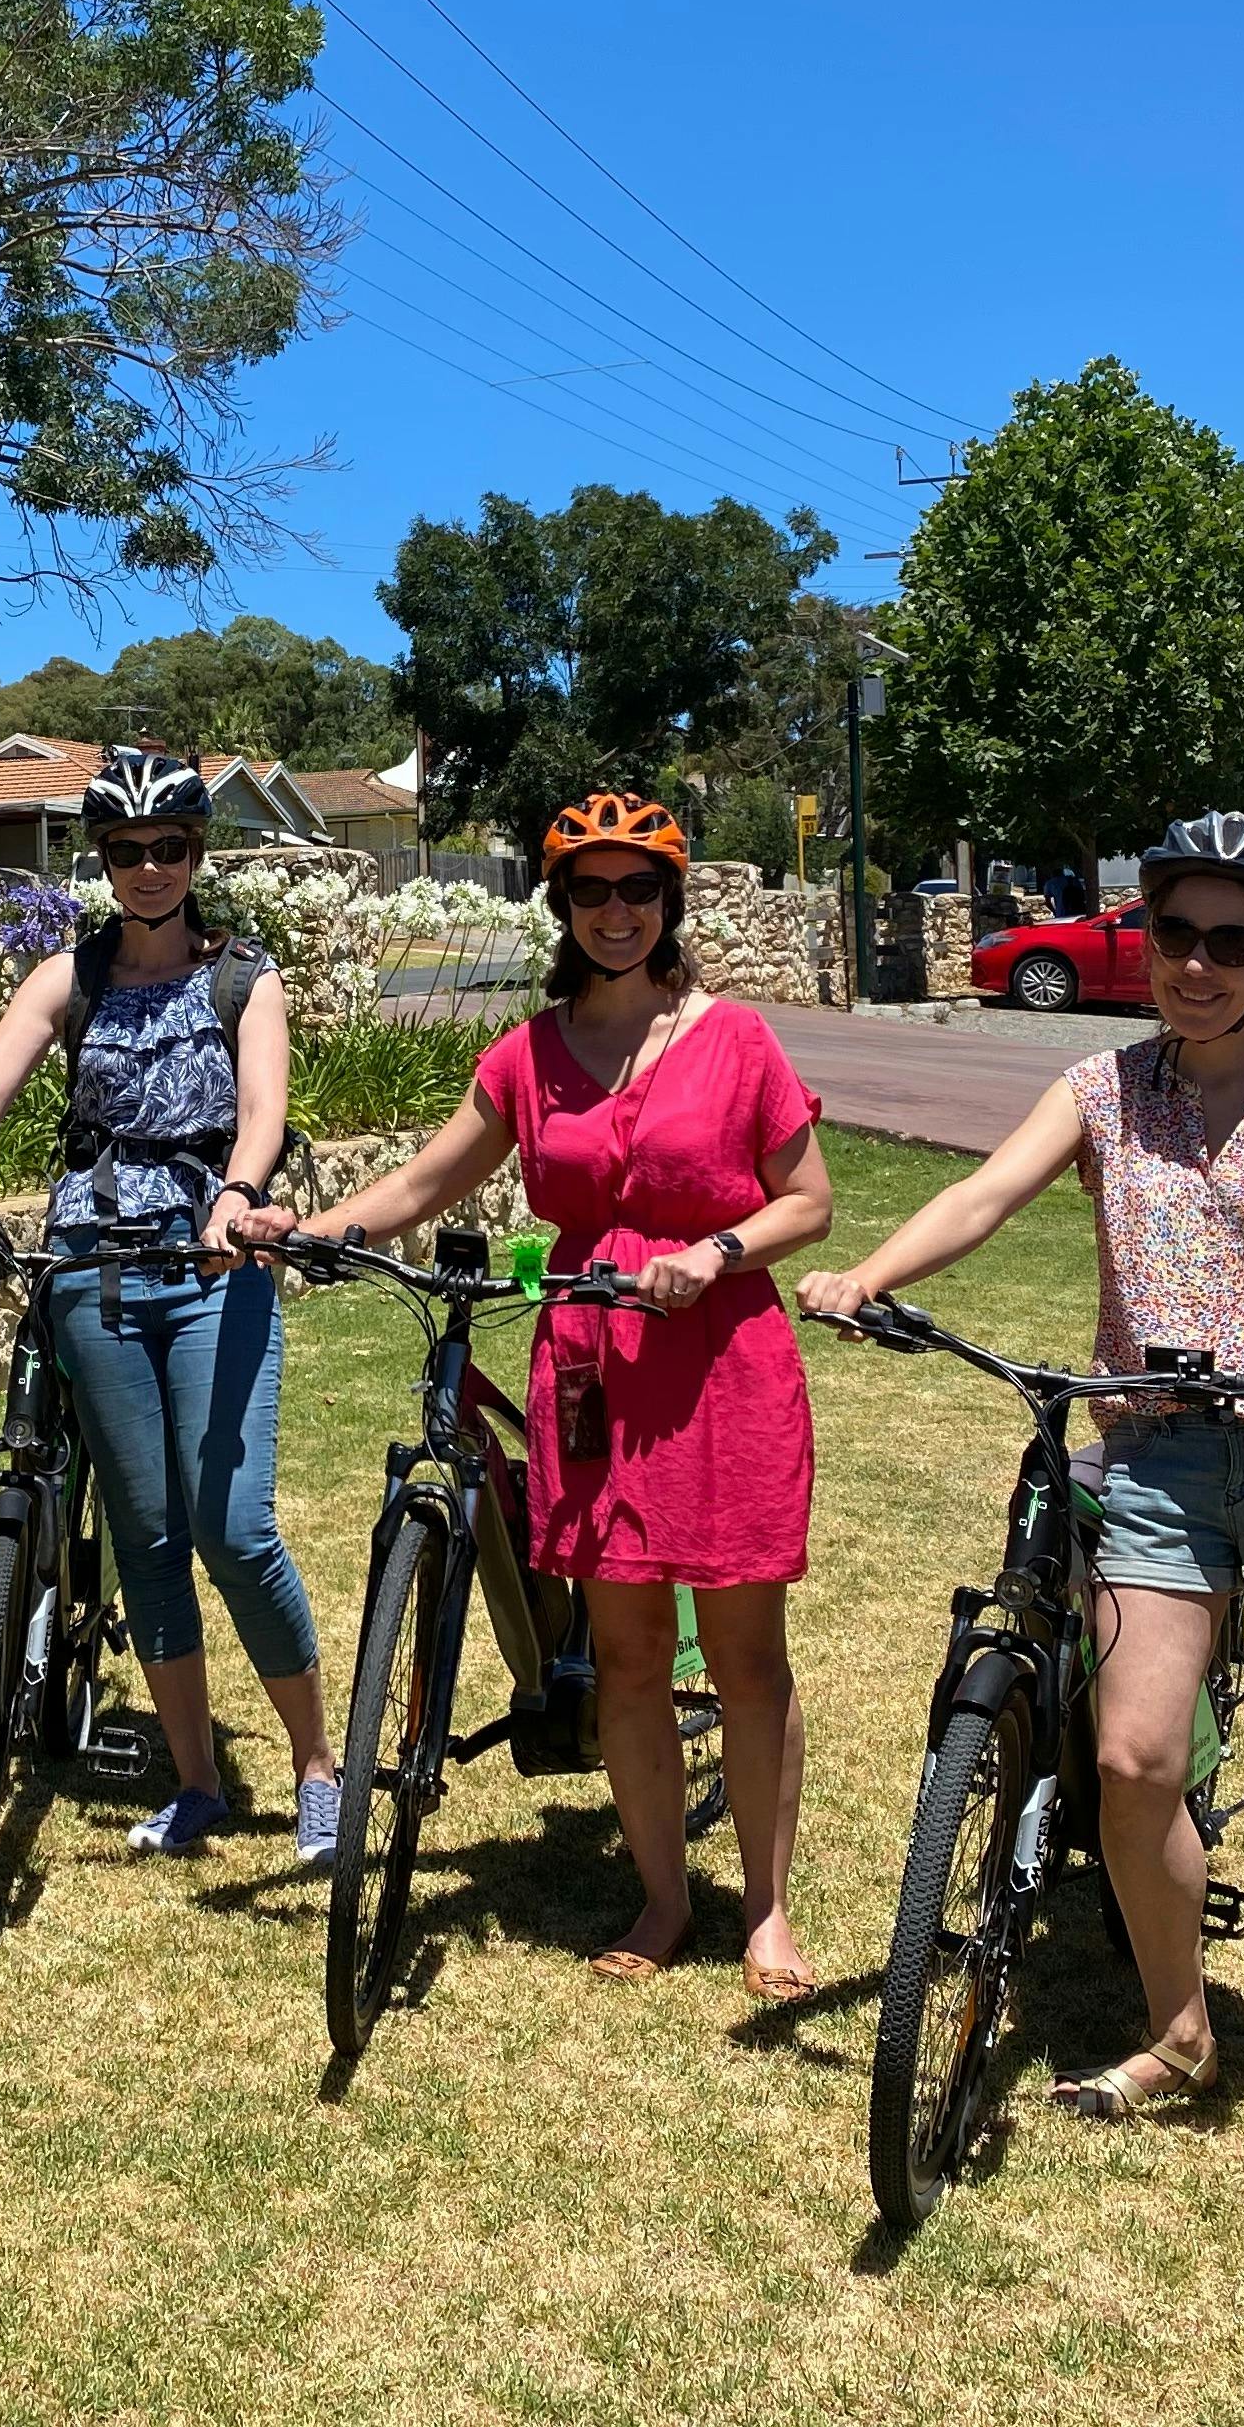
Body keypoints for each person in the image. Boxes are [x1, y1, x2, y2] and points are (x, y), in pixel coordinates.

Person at [801, 811, 1244, 2148]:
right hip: (1155, 1455)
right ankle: (1180, 2028)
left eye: (1229, 942)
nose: (1197, 964)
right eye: (1174, 934)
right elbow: (981, 1198)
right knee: (1132, 1755)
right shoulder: (1098, 1089)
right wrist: (872, 1275)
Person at [251, 792, 836, 1994]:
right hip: (591, 1366)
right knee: (621, 1652)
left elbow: (808, 1201)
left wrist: (717, 1252)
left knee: (742, 1652)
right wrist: (307, 1225)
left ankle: (767, 1911)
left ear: (668, 901)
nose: (615, 911)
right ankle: (664, 1897)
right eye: (590, 891)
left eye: (637, 889)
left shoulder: (734, 1040)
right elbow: (423, 1180)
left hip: (719, 1362)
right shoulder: (527, 1053)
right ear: (562, 906)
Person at [0, 749, 337, 1861]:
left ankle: (317, 1766)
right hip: (91, 1270)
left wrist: (238, 1190)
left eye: (170, 848)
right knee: (150, 1535)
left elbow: (263, 1109)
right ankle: (199, 1782)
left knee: (234, 1526)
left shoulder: (242, 977)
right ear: (104, 861)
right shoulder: (70, 976)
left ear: (196, 854)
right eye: (128, 852)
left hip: (216, 1266)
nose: (151, 869)